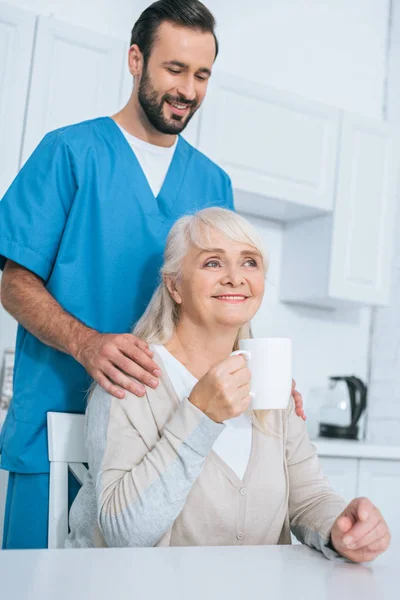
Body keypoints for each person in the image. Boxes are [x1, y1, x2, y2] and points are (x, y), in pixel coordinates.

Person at [0, 0, 303, 549]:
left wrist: (262, 378)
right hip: (57, 416)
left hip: (164, 435)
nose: (188, 88)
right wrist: (86, 343)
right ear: (136, 60)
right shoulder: (70, 153)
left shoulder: (212, 181)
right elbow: (13, 283)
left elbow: (223, 309)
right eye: (174, 68)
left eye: (202, 74)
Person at [66, 208, 390, 564]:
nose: (236, 277)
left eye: (249, 262)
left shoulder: (272, 378)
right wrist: (199, 415)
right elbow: (124, 534)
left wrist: (341, 529)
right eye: (212, 263)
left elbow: (309, 497)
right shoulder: (131, 374)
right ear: (174, 286)